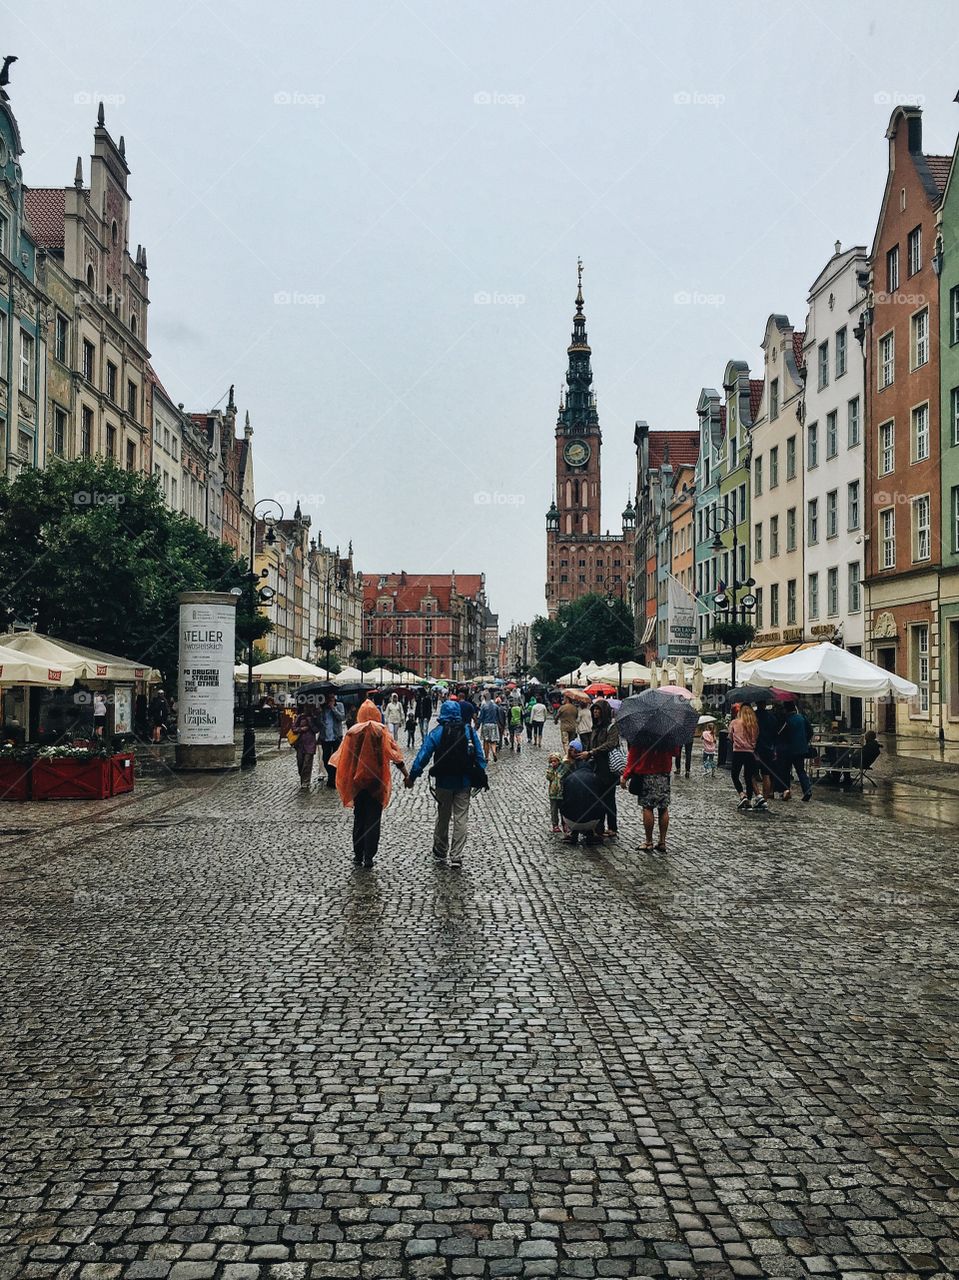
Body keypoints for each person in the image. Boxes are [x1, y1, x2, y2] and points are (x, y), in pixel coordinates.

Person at [406, 700, 486, 867]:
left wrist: (412, 777)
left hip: (443, 781)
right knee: (461, 818)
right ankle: (456, 855)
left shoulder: (437, 732)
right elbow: (480, 756)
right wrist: (478, 773)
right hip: (464, 781)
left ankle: (441, 850)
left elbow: (423, 756)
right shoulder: (469, 731)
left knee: (443, 816)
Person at [329, 700, 409, 867]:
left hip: (356, 782)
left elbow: (342, 757)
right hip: (377, 781)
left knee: (359, 817)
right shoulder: (381, 731)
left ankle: (358, 855)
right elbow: (395, 756)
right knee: (373, 819)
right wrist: (406, 775)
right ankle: (369, 856)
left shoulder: (352, 732)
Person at [621, 740, 674, 853]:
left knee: (647, 807)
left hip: (647, 773)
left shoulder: (642, 735)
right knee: (663, 808)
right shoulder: (668, 734)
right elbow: (675, 752)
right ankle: (662, 842)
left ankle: (649, 842)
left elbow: (633, 757)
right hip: (664, 774)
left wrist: (625, 776)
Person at [578, 699, 620, 837]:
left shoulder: (611, 727)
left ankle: (612, 827)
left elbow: (611, 744)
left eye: (598, 709)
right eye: (594, 709)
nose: (595, 711)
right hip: (595, 767)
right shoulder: (595, 727)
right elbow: (591, 745)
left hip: (607, 768)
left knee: (609, 799)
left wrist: (592, 752)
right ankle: (599, 825)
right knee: (597, 798)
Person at [559, 751, 605, 846]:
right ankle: (594, 832)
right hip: (593, 820)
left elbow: (563, 799)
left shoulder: (569, 778)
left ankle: (572, 833)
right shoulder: (596, 778)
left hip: (571, 820)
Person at [729, 703, 767, 810]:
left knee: (735, 775)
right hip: (750, 752)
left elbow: (730, 736)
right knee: (748, 777)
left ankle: (742, 794)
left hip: (738, 751)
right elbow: (757, 738)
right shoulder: (754, 724)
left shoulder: (735, 722)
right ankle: (749, 799)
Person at [778, 701, 814, 801]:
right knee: (801, 771)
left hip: (789, 750)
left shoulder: (787, 720)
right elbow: (810, 731)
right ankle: (807, 790)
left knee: (786, 770)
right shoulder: (802, 718)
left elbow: (780, 734)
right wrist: (804, 741)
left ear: (786, 710)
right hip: (801, 749)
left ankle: (786, 790)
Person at [317, 691, 347, 788]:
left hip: (336, 736)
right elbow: (319, 723)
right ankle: (331, 776)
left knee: (335, 759)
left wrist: (333, 708)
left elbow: (341, 717)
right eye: (328, 698)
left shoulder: (339, 706)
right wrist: (319, 713)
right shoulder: (323, 708)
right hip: (325, 737)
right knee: (325, 758)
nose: (330, 699)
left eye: (332, 697)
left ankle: (333, 779)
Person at [755, 700, 784, 797]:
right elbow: (776, 734)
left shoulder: (754, 716)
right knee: (766, 774)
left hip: (755, 748)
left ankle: (757, 795)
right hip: (769, 748)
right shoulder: (772, 717)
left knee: (752, 774)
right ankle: (766, 797)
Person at [291, 706, 319, 788]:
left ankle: (306, 781)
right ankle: (302, 778)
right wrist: (301, 729)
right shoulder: (300, 717)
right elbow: (293, 728)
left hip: (310, 744)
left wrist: (310, 722)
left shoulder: (314, 718)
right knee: (300, 763)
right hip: (300, 744)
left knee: (307, 763)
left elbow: (316, 730)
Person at [545, 751, 572, 832]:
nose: (553, 763)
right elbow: (549, 777)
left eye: (555, 761)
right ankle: (555, 825)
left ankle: (565, 824)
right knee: (554, 810)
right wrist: (550, 768)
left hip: (562, 792)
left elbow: (567, 764)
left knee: (563, 810)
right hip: (553, 793)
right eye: (551, 761)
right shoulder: (550, 770)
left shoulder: (562, 769)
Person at [478, 692, 501, 763]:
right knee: (493, 741)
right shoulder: (496, 706)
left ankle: (487, 757)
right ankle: (494, 752)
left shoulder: (484, 706)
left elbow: (481, 717)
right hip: (494, 724)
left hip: (486, 724)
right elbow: (498, 716)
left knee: (486, 741)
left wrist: (478, 725)